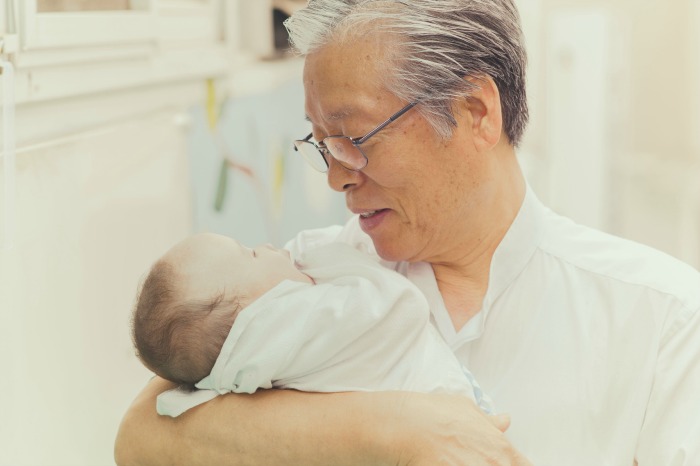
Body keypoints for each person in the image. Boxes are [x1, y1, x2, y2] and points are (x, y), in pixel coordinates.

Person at [115, 0, 700, 465]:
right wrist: (394, 431)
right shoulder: (304, 282)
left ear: (474, 112)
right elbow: (144, 435)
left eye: (354, 138)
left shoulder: (661, 319)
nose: (337, 179)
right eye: (322, 145)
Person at [131, 233, 491, 417]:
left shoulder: (236, 375)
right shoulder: (293, 327)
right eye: (252, 253)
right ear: (257, 316)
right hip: (440, 400)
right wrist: (333, 261)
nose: (271, 246)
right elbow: (400, 307)